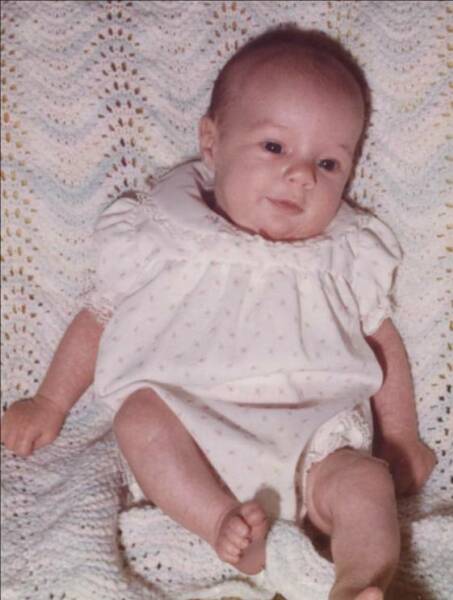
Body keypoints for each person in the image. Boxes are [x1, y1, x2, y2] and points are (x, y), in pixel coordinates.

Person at [1, 26, 436, 600]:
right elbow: (99, 315)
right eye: (275, 147)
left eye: (329, 163)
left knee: (366, 483)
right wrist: (50, 402)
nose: (302, 174)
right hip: (193, 434)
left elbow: (383, 342)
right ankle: (219, 522)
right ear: (212, 142)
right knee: (138, 418)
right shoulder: (162, 233)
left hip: (317, 441)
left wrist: (401, 436)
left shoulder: (345, 254)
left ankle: (359, 580)